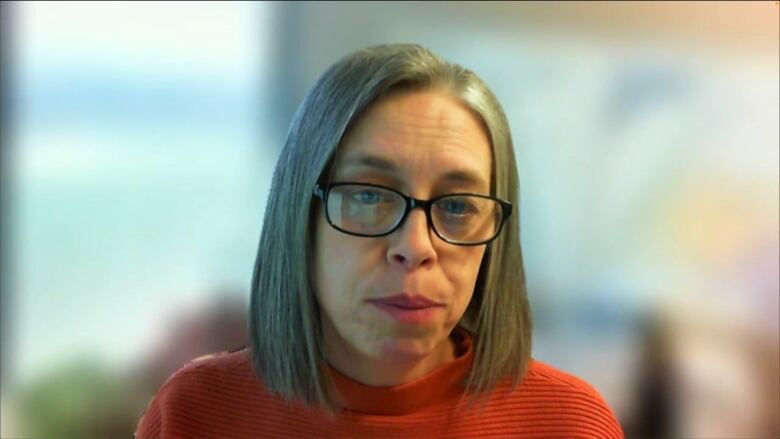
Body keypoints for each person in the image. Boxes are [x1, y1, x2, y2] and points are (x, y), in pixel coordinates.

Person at [135, 44, 624, 438]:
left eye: (458, 206)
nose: (415, 247)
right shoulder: (196, 414)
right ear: (299, 216)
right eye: (369, 196)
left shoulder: (570, 424)